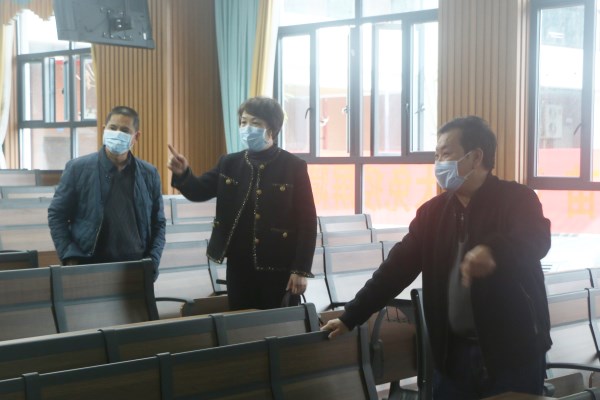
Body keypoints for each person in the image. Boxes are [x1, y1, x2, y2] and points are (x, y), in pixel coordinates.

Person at [321, 116, 552, 399]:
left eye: (446, 154)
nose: (438, 163)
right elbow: (395, 270)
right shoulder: (432, 213)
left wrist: (494, 251)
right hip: (452, 355)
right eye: (436, 156)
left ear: (475, 157)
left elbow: (536, 240)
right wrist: (350, 316)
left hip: (513, 353)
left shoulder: (517, 198)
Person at [167, 96, 317, 311]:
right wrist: (183, 174)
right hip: (238, 265)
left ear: (272, 129)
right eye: (243, 122)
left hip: (278, 266)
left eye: (255, 123)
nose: (247, 128)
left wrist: (300, 270)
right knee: (240, 322)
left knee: (277, 325)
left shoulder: (293, 166)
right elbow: (199, 191)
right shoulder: (229, 163)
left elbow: (308, 222)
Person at [48, 106, 166, 280]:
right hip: (89, 267)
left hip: (136, 269)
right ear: (104, 129)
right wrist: (69, 255)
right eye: (113, 128)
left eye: (124, 130)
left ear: (136, 137)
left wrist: (152, 262)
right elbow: (57, 215)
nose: (117, 134)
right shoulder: (77, 169)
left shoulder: (149, 174)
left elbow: (158, 223)